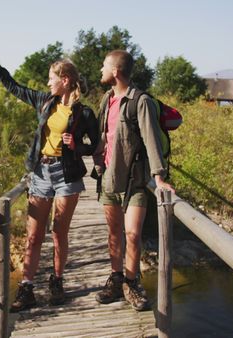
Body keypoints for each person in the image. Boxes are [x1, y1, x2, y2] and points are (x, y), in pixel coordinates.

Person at [0, 49, 99, 312]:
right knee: (33, 235)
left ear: (64, 80)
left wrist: (77, 146)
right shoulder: (44, 101)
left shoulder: (84, 113)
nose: (47, 82)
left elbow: (95, 146)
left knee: (58, 233)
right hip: (41, 173)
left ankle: (57, 282)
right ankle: (27, 288)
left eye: (51, 78)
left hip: (67, 176)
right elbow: (13, 86)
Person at [92, 50, 174, 311]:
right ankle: (116, 280)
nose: (100, 70)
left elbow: (151, 141)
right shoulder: (107, 99)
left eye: (104, 66)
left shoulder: (141, 102)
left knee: (133, 234)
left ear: (116, 71)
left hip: (135, 180)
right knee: (114, 233)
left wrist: (159, 178)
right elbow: (104, 134)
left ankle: (131, 282)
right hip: (108, 177)